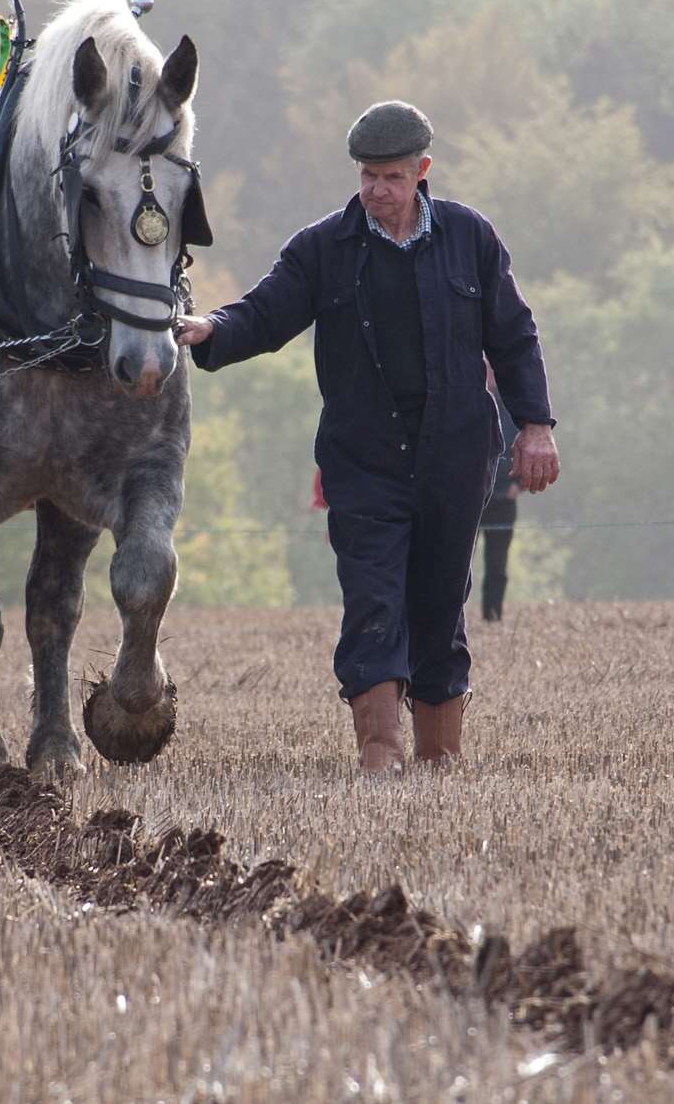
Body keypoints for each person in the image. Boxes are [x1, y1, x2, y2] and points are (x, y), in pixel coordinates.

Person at [176, 100, 560, 773]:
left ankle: (440, 759)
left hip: (456, 456)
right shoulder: (324, 248)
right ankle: (379, 760)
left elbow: (515, 335)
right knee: (374, 600)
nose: (375, 191)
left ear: (422, 172)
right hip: (364, 461)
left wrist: (535, 426)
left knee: (440, 605)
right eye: (366, 176)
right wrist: (213, 329)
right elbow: (266, 312)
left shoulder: (471, 238)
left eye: (389, 177)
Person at [479, 373, 521, 622]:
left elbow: (524, 443)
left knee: (497, 563)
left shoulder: (514, 406)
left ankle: (493, 615)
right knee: (457, 562)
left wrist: (518, 484)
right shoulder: (470, 400)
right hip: (471, 496)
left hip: (504, 497)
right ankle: (451, 617)